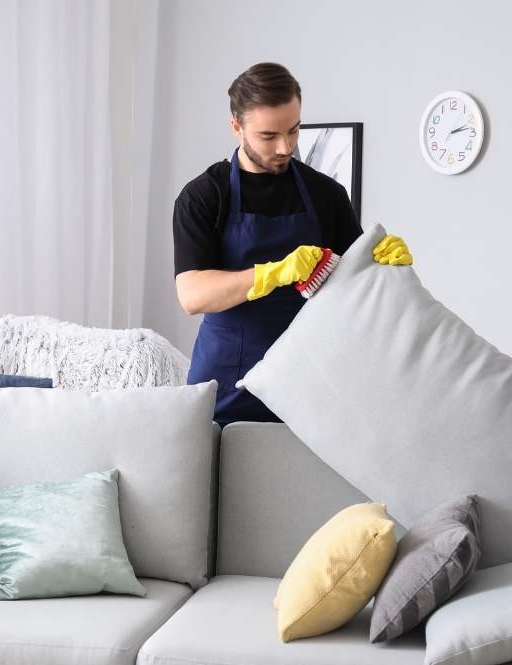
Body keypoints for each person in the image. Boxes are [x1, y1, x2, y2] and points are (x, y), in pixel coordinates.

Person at [173, 62, 411, 425]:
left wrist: (384, 267)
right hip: (226, 382)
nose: (285, 147)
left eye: (294, 130)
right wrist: (273, 273)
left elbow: (357, 288)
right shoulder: (204, 196)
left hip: (308, 381)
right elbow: (193, 295)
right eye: (269, 136)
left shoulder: (325, 194)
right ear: (236, 127)